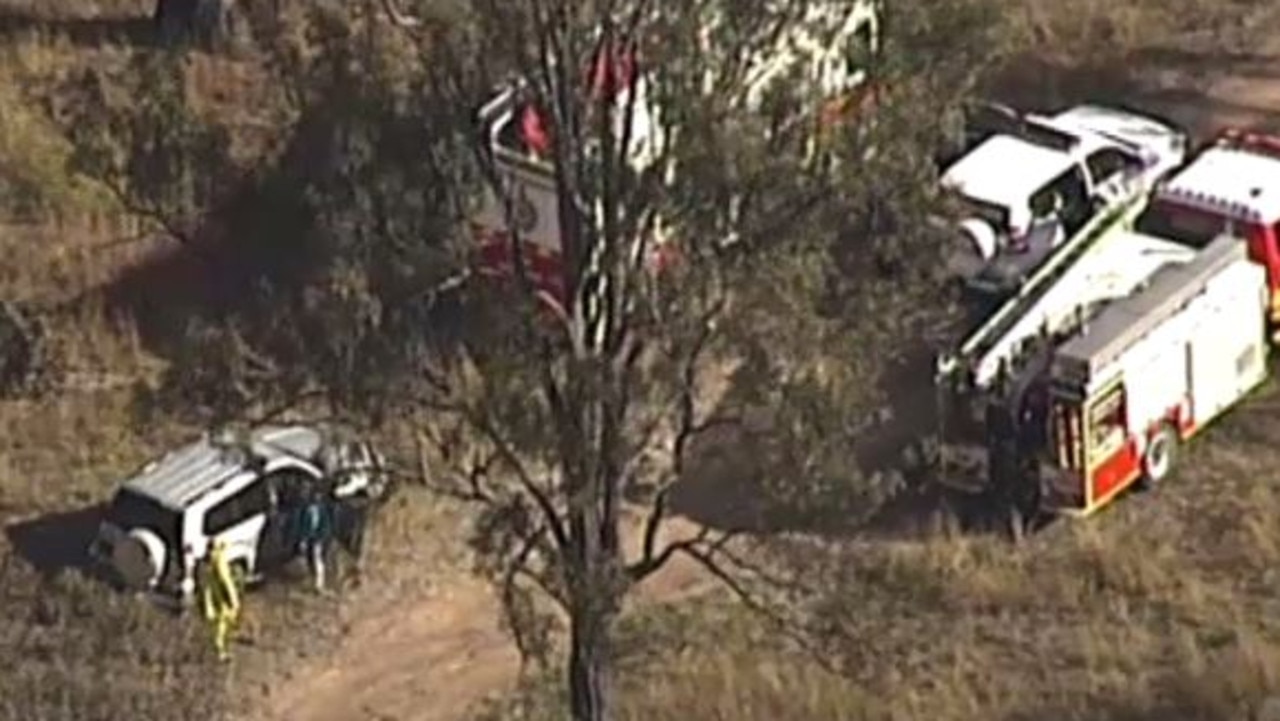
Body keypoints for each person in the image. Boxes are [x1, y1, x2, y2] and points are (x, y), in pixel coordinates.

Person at [199, 537, 241, 663]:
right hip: (221, 597)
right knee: (221, 624)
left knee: (221, 622)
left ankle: (223, 645)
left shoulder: (207, 561)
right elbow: (223, 580)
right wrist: (230, 598)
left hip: (213, 595)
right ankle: (220, 651)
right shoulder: (219, 560)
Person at [296, 486, 335, 593]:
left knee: (318, 560)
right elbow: (304, 525)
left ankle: (319, 584)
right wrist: (303, 539)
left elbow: (325, 527)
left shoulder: (322, 511)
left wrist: (321, 538)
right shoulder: (308, 509)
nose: (317, 498)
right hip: (309, 538)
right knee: (308, 560)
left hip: (318, 539)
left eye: (319, 496)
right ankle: (311, 581)